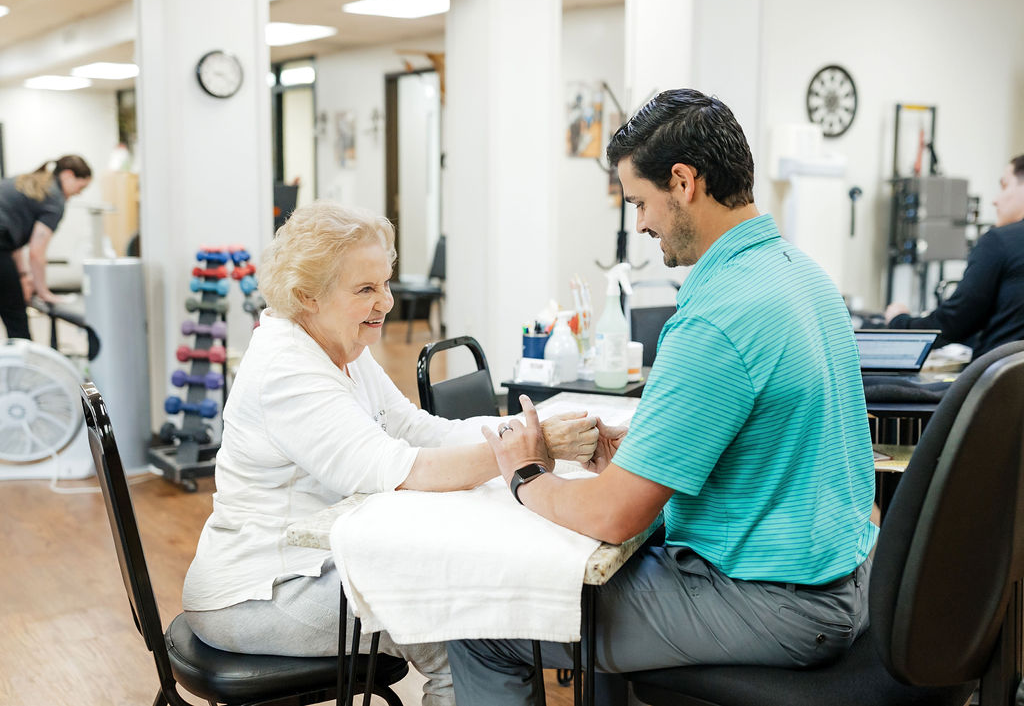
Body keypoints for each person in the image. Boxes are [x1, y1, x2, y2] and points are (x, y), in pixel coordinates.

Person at [447, 89, 878, 706]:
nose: (641, 223)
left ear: (683, 182)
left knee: (485, 620)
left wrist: (528, 476)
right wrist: (639, 461)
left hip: (775, 605)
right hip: (840, 579)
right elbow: (771, 444)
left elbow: (614, 517)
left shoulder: (717, 316)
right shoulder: (802, 274)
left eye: (640, 203)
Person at [181, 201, 599, 706]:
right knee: (465, 634)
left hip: (315, 566)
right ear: (305, 296)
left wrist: (528, 431)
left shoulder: (343, 349)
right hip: (262, 592)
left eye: (385, 283)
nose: (387, 302)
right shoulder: (287, 370)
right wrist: (531, 449)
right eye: (365, 289)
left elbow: (425, 432)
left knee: (470, 611)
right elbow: (399, 469)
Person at [884, 154, 1024, 359]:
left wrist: (899, 321)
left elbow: (953, 323)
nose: (995, 200)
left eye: (1004, 186)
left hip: (1000, 385)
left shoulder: (999, 241)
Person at [0, 155, 92, 339]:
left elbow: (13, 241)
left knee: (12, 307)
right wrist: (44, 292)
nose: (79, 193)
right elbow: (36, 252)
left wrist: (24, 276)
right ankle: (24, 365)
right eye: (80, 187)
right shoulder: (54, 199)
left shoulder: (27, 182)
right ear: (67, 175)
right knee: (16, 319)